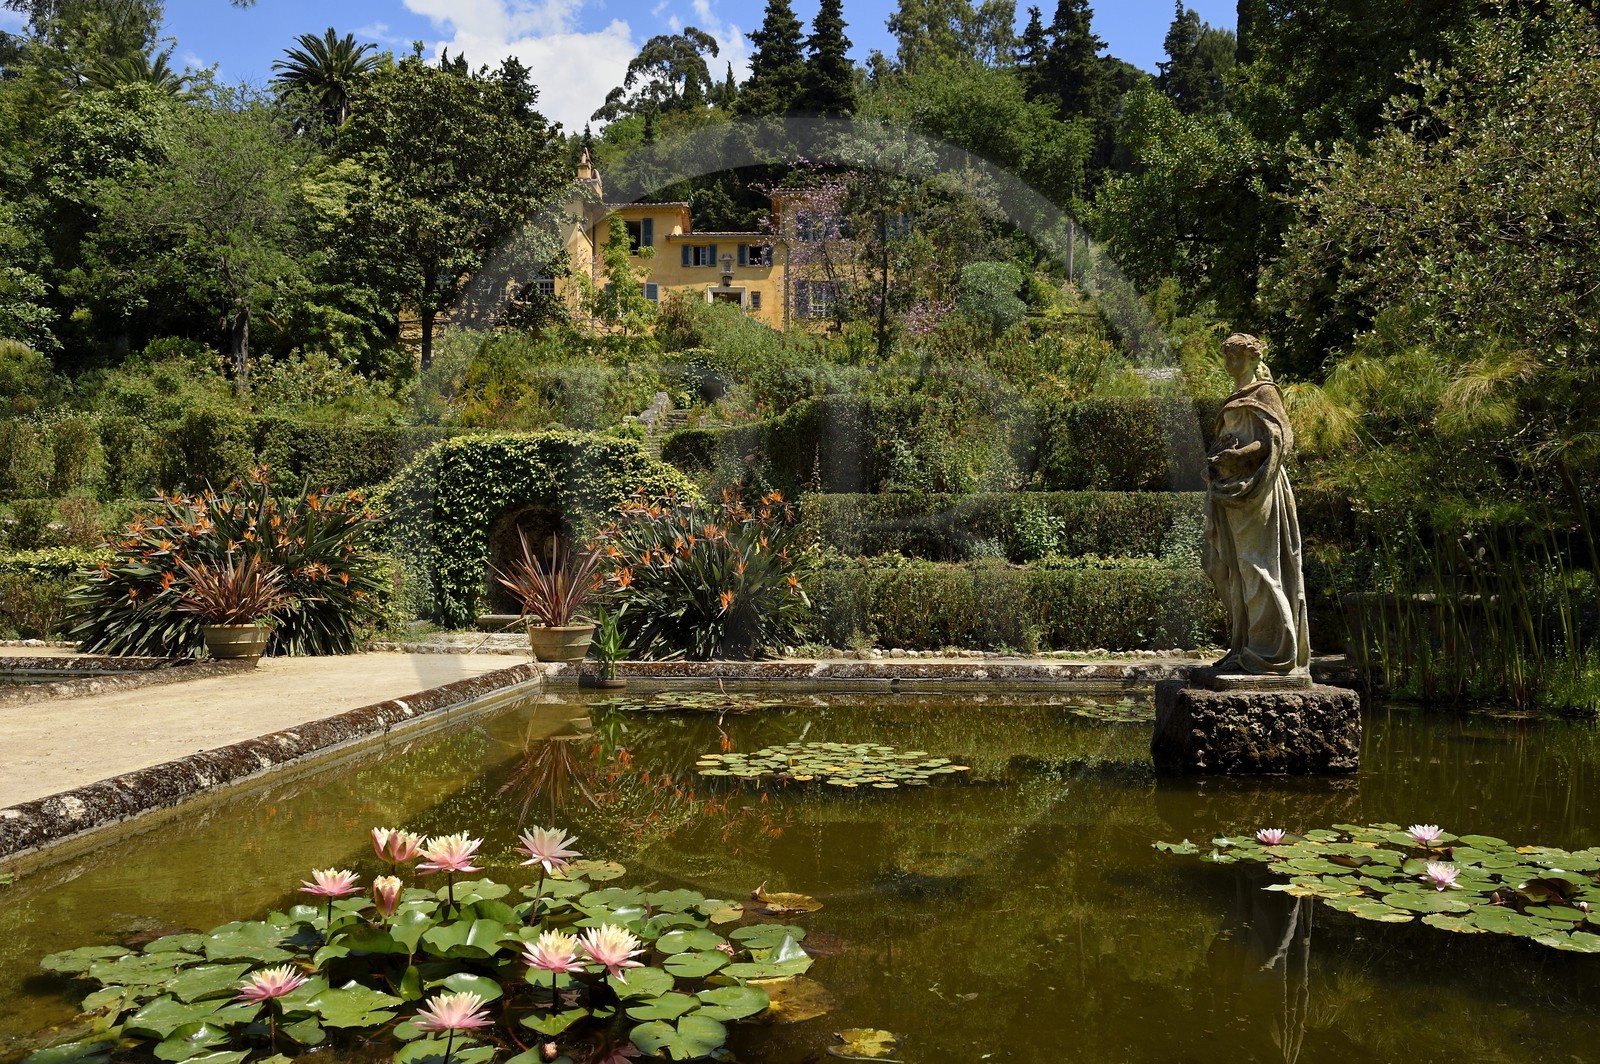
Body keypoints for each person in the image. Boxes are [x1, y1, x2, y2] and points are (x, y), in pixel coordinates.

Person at [1203, 333, 1311, 676]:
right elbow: (1232, 439)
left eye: (1239, 357)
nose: (1232, 364)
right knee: (1229, 566)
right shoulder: (1233, 397)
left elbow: (1280, 438)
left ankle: (1271, 653)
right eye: (1229, 357)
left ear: (1253, 360)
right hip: (1231, 489)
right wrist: (1220, 457)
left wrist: (1241, 455)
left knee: (1257, 565)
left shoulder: (1265, 392)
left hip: (1259, 488)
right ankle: (1245, 646)